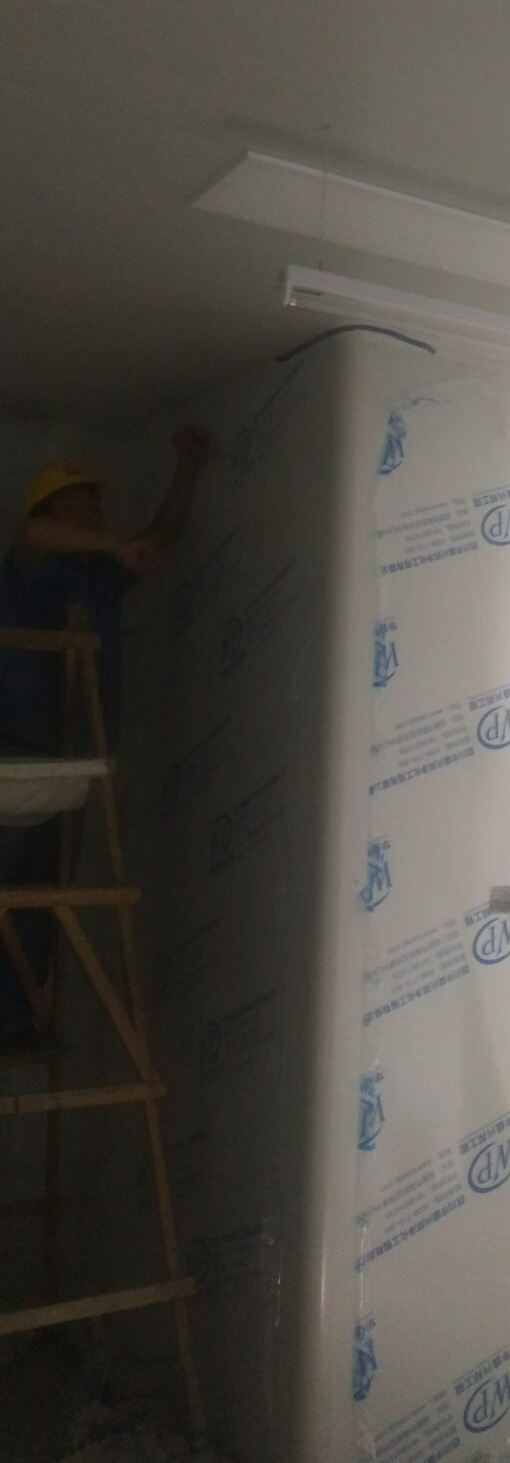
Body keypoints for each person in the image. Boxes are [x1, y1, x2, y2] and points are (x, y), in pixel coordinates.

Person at [0, 427, 209, 1045]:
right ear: (51, 512)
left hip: (73, 760)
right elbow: (35, 534)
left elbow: (159, 535)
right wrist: (118, 543)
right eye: (77, 507)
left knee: (49, 898)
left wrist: (188, 470)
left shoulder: (98, 577)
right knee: (11, 888)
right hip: (15, 756)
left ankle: (16, 1023)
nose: (92, 516)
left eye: (95, 507)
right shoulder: (33, 566)